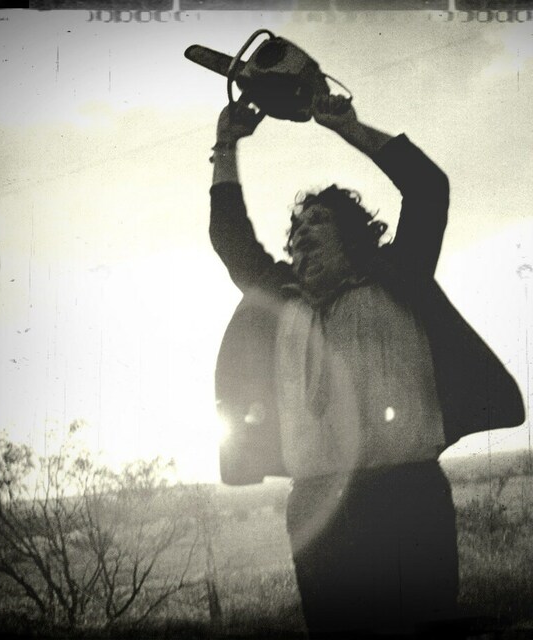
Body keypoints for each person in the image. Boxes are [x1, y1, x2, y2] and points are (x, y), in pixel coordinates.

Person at [209, 91, 524, 638]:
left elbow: (428, 188)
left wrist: (348, 128)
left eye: (319, 221)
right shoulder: (279, 296)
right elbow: (230, 236)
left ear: (353, 235)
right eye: (298, 228)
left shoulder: (398, 273)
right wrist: (226, 144)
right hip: (317, 506)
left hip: (408, 494)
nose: (302, 233)